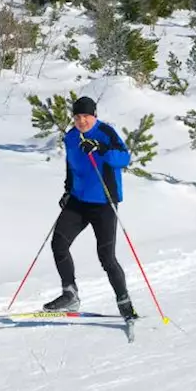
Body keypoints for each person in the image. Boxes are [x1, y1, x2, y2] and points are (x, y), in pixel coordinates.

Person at [43, 96, 138, 323]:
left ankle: (125, 304)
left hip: (104, 202)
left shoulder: (105, 132)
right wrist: (68, 190)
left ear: (94, 115)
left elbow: (124, 159)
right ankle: (70, 294)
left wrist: (101, 148)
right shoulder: (71, 137)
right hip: (78, 200)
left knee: (106, 257)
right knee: (58, 244)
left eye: (85, 116)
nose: (81, 121)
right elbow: (71, 165)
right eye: (77, 117)